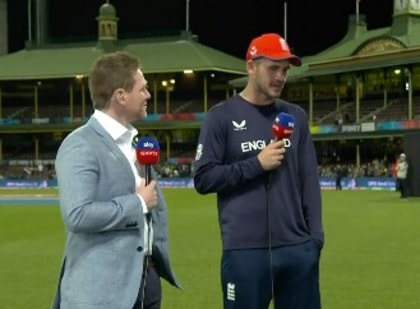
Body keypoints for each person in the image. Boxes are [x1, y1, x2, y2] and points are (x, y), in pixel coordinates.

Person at [193, 33, 324, 309]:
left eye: (285, 70)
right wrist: (257, 164)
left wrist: (314, 241)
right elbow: (203, 178)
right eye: (273, 68)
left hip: (298, 249)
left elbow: (309, 183)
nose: (280, 76)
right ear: (251, 67)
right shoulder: (221, 116)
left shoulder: (296, 117)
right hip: (244, 252)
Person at [52, 51, 181, 309]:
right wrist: (137, 203)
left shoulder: (135, 142)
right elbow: (77, 214)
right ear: (120, 96)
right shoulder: (80, 144)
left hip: (145, 280)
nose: (148, 96)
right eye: (142, 89)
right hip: (101, 290)